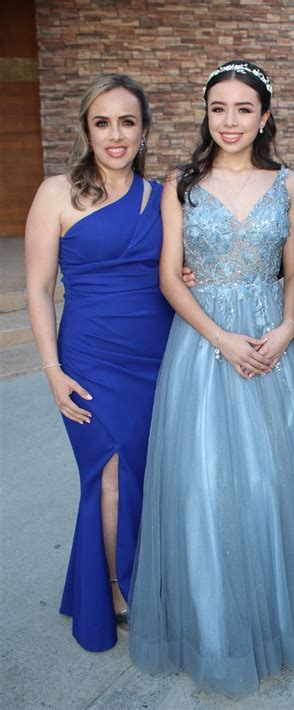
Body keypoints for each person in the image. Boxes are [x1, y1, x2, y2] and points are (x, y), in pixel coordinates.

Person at [129, 61, 294, 698]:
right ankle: (213, 630)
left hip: (273, 348)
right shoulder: (181, 185)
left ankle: (275, 621)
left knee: (274, 483)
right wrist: (220, 338)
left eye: (244, 109)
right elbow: (170, 276)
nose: (230, 121)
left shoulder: (289, 184)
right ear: (206, 114)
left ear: (265, 117)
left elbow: (292, 269)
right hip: (203, 346)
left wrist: (284, 329)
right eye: (218, 108)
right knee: (205, 482)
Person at [25, 74, 174, 652]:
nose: (115, 135)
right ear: (87, 129)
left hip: (156, 354)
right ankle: (115, 589)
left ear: (143, 130)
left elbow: (174, 273)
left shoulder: (163, 197)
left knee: (142, 476)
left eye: (127, 122)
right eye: (103, 122)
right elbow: (39, 290)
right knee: (109, 476)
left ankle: (109, 580)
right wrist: (52, 371)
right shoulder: (56, 192)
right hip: (88, 357)